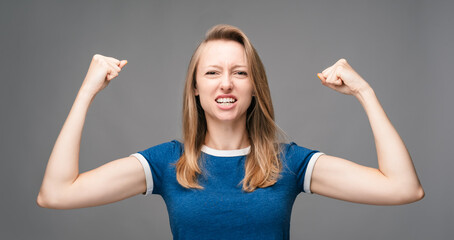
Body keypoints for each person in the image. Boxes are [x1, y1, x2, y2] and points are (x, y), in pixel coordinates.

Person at [37, 24, 424, 239]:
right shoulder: (165, 164)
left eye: (239, 72)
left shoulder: (287, 163)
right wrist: (87, 92)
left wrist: (364, 92)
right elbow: (56, 194)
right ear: (195, 88)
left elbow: (403, 188)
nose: (226, 83)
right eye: (212, 72)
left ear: (255, 86)